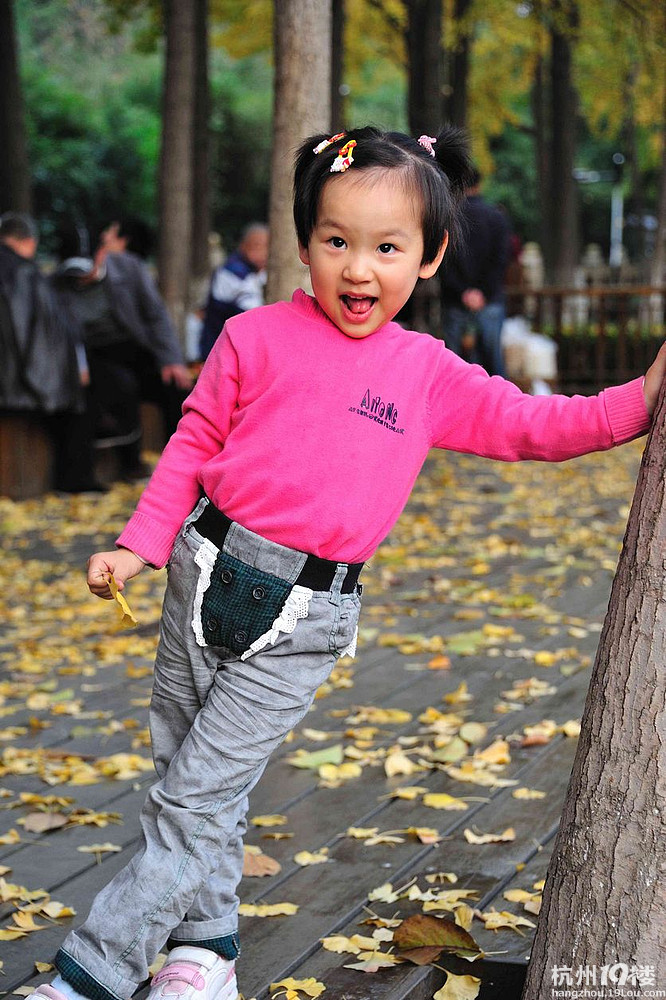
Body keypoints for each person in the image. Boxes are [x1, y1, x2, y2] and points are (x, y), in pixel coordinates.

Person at [35, 126, 665, 1000]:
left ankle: (88, 976)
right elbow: (193, 442)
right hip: (200, 570)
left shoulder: (427, 372)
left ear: (431, 254)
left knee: (192, 801)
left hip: (301, 614)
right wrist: (138, 546)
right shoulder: (252, 338)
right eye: (336, 242)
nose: (358, 269)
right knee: (184, 782)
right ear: (304, 244)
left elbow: (534, 426)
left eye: (386, 247)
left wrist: (638, 401)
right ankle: (207, 950)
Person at [53, 222, 192, 481]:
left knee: (178, 388)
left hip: (135, 347)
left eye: (86, 267)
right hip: (91, 354)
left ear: (101, 254)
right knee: (121, 385)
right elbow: (64, 335)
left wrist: (171, 359)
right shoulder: (58, 285)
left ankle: (181, 467)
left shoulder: (129, 268)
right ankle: (131, 463)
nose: (81, 277)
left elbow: (155, 316)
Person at [0, 213, 99, 492]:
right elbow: (34, 341)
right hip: (15, 383)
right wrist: (52, 383)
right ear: (30, 242)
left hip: (11, 377)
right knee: (81, 401)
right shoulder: (24, 273)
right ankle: (74, 481)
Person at [439, 167, 511, 376]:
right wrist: (483, 292)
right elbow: (501, 260)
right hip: (490, 301)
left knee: (455, 366)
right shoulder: (497, 218)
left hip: (455, 299)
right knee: (492, 361)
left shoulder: (448, 219)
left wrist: (462, 292)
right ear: (479, 185)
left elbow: (443, 262)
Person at [199, 223, 268, 360]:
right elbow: (252, 310)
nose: (262, 252)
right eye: (256, 245)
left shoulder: (258, 272)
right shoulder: (231, 273)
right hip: (220, 354)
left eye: (267, 246)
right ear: (243, 246)